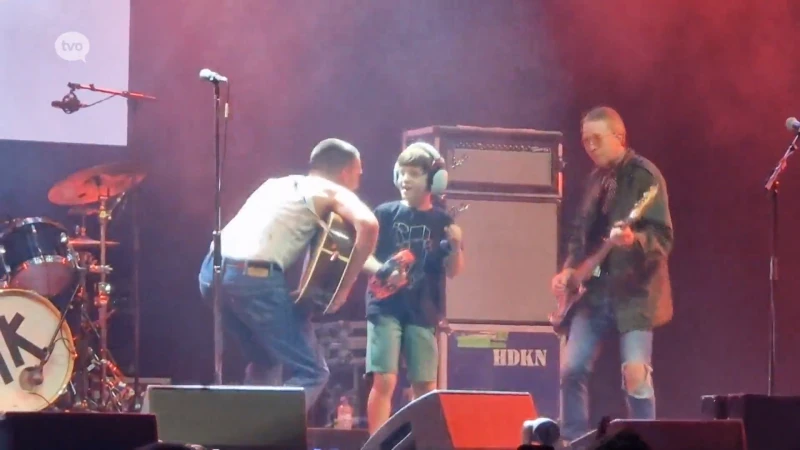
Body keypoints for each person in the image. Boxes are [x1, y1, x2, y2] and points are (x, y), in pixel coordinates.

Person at [197, 138, 379, 410]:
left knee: (266, 360)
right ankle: (266, 435)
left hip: (212, 274)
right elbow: (368, 225)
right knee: (313, 371)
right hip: (253, 280)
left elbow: (334, 246)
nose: (359, 180)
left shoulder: (277, 185)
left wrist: (378, 269)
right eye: (358, 173)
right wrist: (344, 290)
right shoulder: (331, 190)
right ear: (345, 172)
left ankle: (242, 436)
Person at [551, 106, 674, 441]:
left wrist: (634, 240)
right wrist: (568, 271)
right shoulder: (595, 180)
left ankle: (646, 441)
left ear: (619, 137)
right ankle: (573, 441)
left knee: (635, 373)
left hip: (634, 293)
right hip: (593, 292)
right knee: (571, 369)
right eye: (585, 141)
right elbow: (580, 235)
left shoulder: (645, 177)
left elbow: (663, 238)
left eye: (597, 139)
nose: (590, 146)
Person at [362, 142, 465, 434]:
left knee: (425, 385)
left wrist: (456, 247)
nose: (405, 179)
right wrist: (384, 271)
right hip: (385, 306)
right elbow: (362, 255)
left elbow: (455, 271)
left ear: (434, 181)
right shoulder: (383, 213)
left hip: (423, 310)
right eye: (402, 172)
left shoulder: (442, 220)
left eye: (415, 174)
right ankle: (378, 442)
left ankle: (423, 440)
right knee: (384, 380)